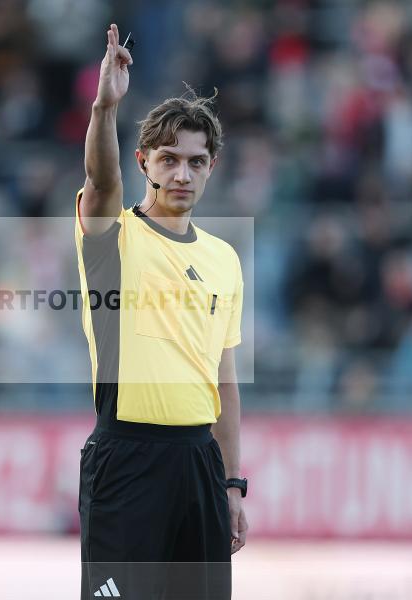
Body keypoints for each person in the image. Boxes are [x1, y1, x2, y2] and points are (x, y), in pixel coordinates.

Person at [74, 23, 248, 600]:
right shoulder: (113, 236)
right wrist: (105, 106)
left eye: (196, 162)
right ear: (144, 161)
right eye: (169, 159)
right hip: (126, 459)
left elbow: (223, 378)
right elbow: (100, 179)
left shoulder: (224, 259)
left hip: (199, 463)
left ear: (211, 167)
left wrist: (230, 483)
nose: (182, 174)